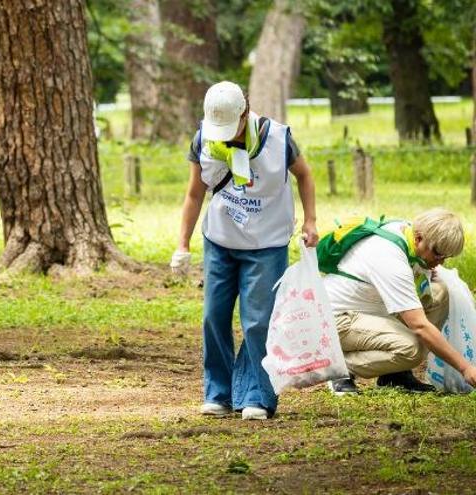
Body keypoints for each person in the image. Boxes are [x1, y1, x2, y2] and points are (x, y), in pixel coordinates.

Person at [170, 81, 318, 420]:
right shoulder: (204, 140)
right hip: (220, 240)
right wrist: (182, 244)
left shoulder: (279, 139)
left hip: (266, 244)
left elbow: (305, 176)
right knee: (213, 316)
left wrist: (311, 220)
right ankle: (218, 393)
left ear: (245, 113)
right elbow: (194, 194)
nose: (223, 136)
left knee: (257, 322)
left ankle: (256, 395)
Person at [323, 209, 476, 394]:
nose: (440, 262)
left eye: (445, 257)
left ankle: (395, 374)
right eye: (437, 253)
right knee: (411, 348)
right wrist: (465, 367)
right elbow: (419, 326)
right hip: (337, 320)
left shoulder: (407, 233)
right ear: (419, 238)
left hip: (369, 310)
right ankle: (337, 368)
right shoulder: (389, 257)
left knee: (440, 293)